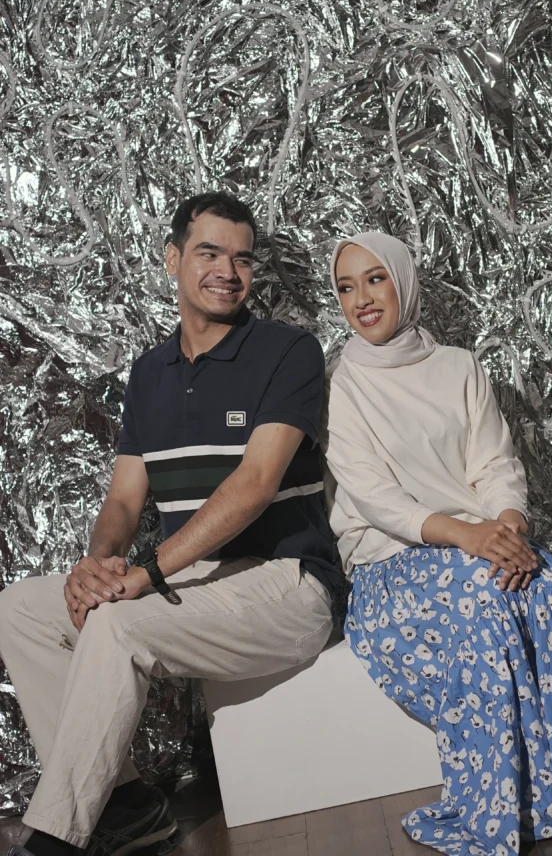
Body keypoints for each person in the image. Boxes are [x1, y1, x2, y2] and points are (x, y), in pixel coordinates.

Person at [323, 230, 552, 856]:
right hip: (393, 563)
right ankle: (514, 804)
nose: (363, 299)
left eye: (375, 279)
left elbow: (495, 465)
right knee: (486, 602)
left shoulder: (458, 366)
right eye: (346, 287)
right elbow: (377, 499)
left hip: (483, 540)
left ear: (403, 282)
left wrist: (509, 530)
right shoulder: (341, 382)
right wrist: (472, 537)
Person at [0, 192, 338, 856]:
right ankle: (125, 805)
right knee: (19, 609)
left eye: (242, 259)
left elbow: (252, 487)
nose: (228, 272)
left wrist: (147, 573)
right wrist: (99, 565)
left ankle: (55, 841)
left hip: (288, 584)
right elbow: (125, 503)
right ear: (172, 259)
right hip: (199, 579)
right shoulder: (150, 373)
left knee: (117, 624)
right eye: (209, 253)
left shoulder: (287, 351)